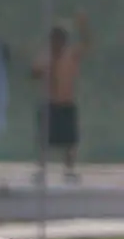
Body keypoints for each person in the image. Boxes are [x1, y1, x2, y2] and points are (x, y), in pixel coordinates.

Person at [31, 13, 90, 182]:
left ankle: (69, 170)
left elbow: (88, 44)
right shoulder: (46, 56)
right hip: (50, 103)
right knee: (44, 139)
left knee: (71, 140)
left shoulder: (71, 55)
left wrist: (83, 26)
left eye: (60, 39)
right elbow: (33, 72)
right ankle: (42, 168)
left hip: (67, 103)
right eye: (54, 39)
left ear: (64, 41)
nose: (57, 43)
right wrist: (40, 71)